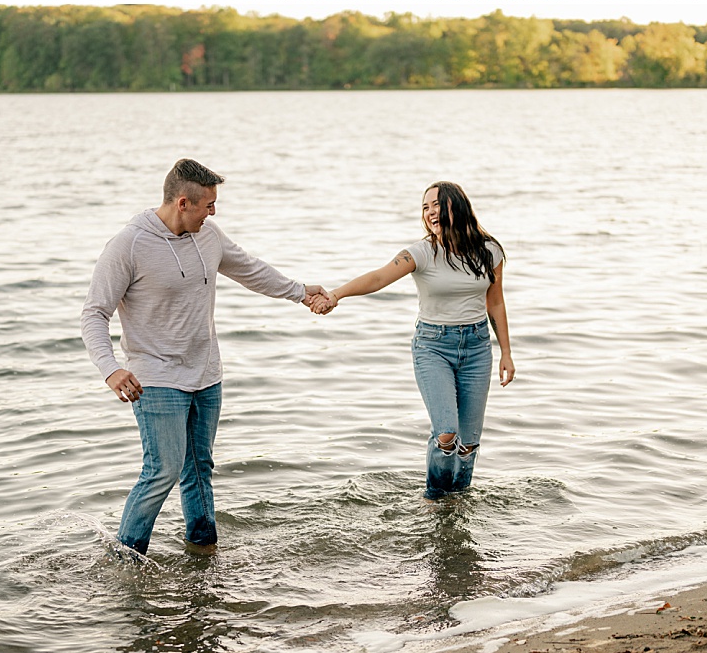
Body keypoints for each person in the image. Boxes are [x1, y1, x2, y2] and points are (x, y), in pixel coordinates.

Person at [80, 160, 331, 557]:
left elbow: (249, 269)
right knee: (161, 471)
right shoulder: (128, 245)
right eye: (208, 205)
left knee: (199, 469)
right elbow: (94, 313)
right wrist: (110, 369)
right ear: (183, 202)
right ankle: (125, 559)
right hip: (156, 378)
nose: (213, 212)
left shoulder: (208, 235)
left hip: (206, 375)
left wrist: (301, 292)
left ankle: (202, 550)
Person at [309, 182, 514, 502]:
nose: (430, 212)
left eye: (436, 205)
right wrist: (336, 294)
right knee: (447, 434)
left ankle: (457, 500)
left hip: (477, 346)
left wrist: (506, 353)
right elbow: (378, 277)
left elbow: (495, 303)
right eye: (425, 207)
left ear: (456, 207)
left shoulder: (490, 251)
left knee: (468, 442)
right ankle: (434, 498)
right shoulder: (421, 252)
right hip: (433, 346)